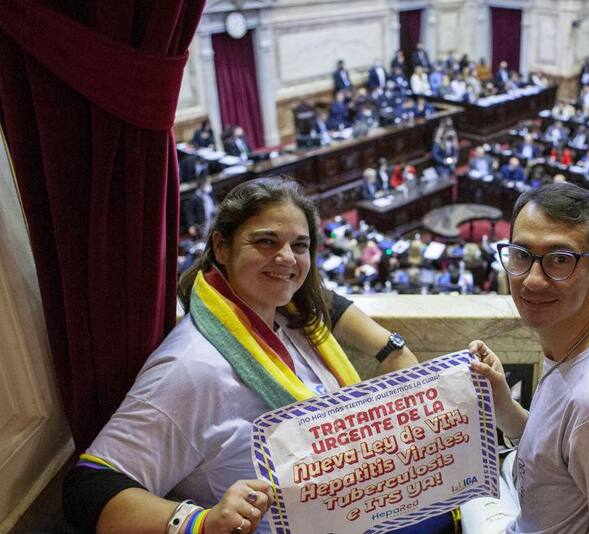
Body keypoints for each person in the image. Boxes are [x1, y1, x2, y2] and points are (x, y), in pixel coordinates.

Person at [63, 177, 420, 532]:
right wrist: (198, 522)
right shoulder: (191, 366)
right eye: (265, 241)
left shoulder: (293, 315)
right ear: (221, 246)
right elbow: (87, 490)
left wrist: (447, 370)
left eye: (300, 245)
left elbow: (321, 296)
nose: (286, 258)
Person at [466, 182, 589, 534]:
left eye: (560, 260)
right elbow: (554, 456)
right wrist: (503, 407)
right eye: (521, 255)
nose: (533, 281)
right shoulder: (584, 336)